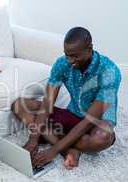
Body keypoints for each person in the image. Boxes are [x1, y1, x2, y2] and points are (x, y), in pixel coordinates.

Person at [11, 27, 121, 170]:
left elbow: (89, 121)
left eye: (75, 56)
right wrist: (33, 139)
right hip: (72, 115)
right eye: (67, 55)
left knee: (103, 137)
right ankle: (69, 149)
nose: (70, 61)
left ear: (90, 48)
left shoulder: (110, 72)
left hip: (95, 124)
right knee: (19, 105)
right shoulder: (62, 63)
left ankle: (54, 138)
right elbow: (47, 103)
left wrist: (53, 150)